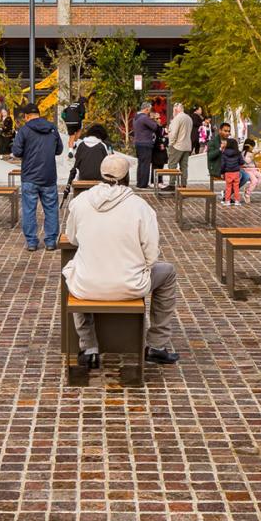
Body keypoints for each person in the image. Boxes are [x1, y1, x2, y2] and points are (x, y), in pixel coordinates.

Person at [62, 153, 180, 368]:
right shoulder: (140, 206)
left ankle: (88, 346)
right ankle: (157, 344)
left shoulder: (80, 202)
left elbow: (72, 238)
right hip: (130, 285)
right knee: (168, 272)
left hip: (87, 286)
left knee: (74, 273)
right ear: (128, 176)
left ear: (101, 173)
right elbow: (152, 255)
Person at [11, 102, 63, 251]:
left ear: (27, 116)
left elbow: (16, 151)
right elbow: (59, 150)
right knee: (51, 209)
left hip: (29, 177)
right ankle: (51, 241)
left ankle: (32, 242)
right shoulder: (52, 128)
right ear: (39, 114)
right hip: (49, 176)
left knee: (29, 210)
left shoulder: (24, 130)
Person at [130, 103, 161, 189]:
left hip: (138, 143)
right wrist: (154, 119)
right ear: (146, 109)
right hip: (145, 143)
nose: (149, 112)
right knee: (145, 164)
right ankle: (143, 184)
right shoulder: (144, 118)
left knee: (141, 164)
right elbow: (155, 127)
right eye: (149, 110)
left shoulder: (136, 117)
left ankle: (139, 183)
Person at [69, 124, 110, 189]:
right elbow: (107, 164)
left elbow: (77, 164)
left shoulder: (81, 145)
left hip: (83, 177)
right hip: (99, 178)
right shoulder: (102, 146)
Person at [165, 103, 193, 188]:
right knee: (184, 167)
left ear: (176, 110)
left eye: (174, 110)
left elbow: (174, 133)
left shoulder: (177, 118)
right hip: (187, 145)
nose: (173, 112)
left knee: (172, 165)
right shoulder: (189, 118)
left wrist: (171, 143)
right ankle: (183, 185)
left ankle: (171, 184)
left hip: (177, 145)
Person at [219, 137, 244, 205]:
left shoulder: (224, 153)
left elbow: (223, 164)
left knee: (228, 187)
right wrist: (238, 165)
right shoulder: (238, 153)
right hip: (236, 172)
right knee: (236, 187)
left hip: (228, 173)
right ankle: (237, 201)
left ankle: (227, 201)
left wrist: (222, 172)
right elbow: (242, 162)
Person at [239, 138, 261, 203]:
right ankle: (247, 194)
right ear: (249, 146)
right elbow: (247, 161)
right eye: (252, 147)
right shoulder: (244, 153)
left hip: (254, 169)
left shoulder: (252, 153)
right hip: (247, 170)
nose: (253, 148)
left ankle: (248, 189)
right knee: (254, 180)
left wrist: (257, 158)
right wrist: (253, 156)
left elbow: (256, 163)